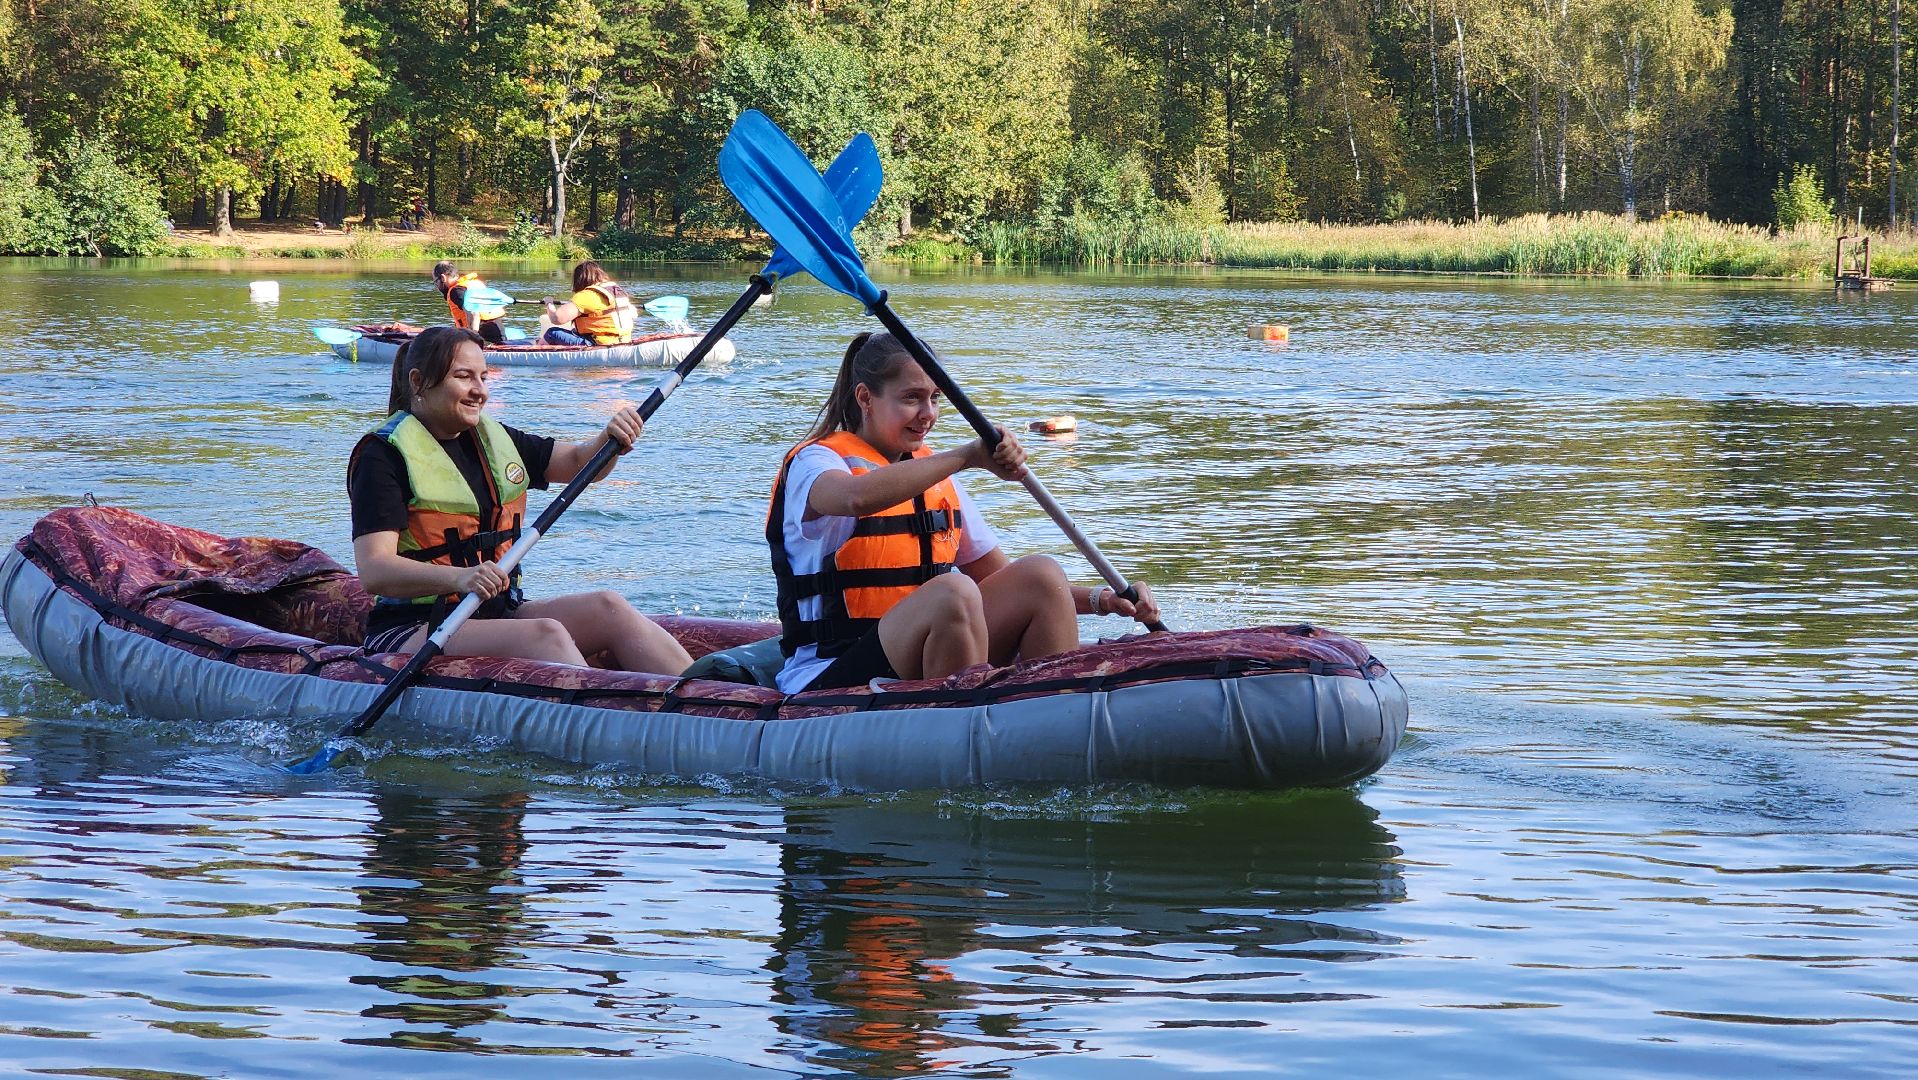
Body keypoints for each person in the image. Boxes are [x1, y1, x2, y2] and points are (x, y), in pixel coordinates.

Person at [766, 331, 1160, 694]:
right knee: (953, 593)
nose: (928, 414)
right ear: (866, 398)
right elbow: (854, 498)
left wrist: (1104, 600)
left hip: (921, 659)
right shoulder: (815, 461)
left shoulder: (933, 476)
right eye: (911, 398)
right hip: (830, 673)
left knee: (1041, 576)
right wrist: (968, 456)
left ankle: (1051, 711)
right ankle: (962, 731)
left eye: (935, 397)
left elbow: (1000, 579)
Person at [348, 325, 694, 674]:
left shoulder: (491, 439)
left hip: (496, 611)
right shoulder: (383, 456)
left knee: (609, 606)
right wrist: (461, 578)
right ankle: (619, 721)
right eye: (464, 377)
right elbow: (375, 570)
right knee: (546, 634)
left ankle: (718, 702)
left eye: (483, 377)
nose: (479, 391)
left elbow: (576, 463)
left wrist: (609, 439)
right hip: (412, 628)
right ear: (419, 381)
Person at [540, 260, 638, 346]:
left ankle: (536, 349)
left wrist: (549, 303)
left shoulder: (587, 295)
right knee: (574, 332)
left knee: (552, 333)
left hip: (599, 343)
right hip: (624, 340)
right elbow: (634, 313)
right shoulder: (618, 291)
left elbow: (556, 319)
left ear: (580, 279)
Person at [433, 260, 506, 344]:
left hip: (486, 339)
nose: (437, 286)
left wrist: (472, 341)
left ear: (443, 278)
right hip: (499, 332)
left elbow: (473, 313)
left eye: (435, 282)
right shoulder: (471, 284)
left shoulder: (456, 291)